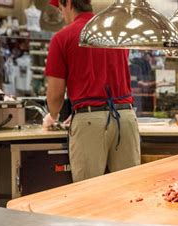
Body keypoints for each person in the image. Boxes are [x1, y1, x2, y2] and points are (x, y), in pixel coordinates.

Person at [43, 0, 140, 182]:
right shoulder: (114, 34)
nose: (61, 14)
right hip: (126, 118)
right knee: (129, 192)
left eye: (60, 7)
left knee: (86, 194)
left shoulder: (63, 37)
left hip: (89, 123)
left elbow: (55, 94)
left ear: (69, 3)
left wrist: (53, 116)